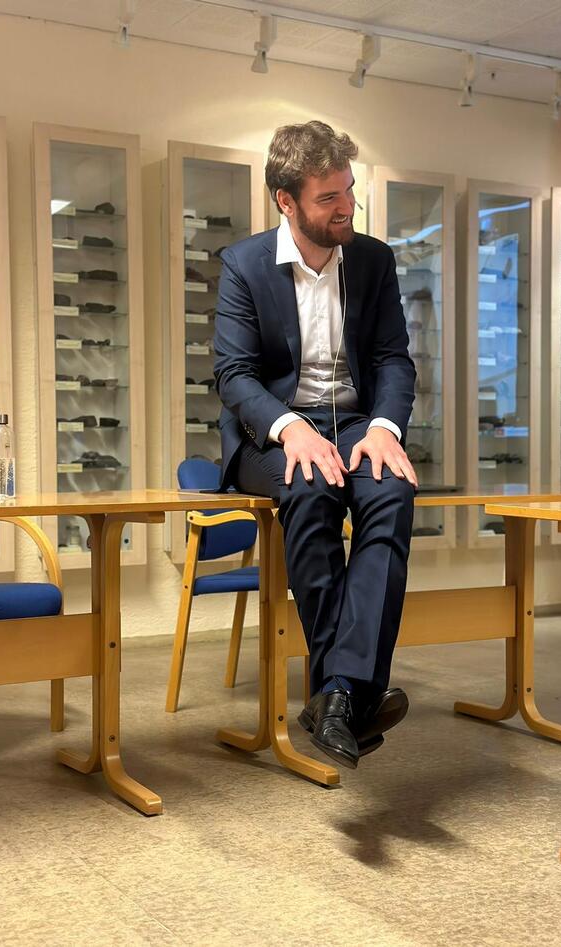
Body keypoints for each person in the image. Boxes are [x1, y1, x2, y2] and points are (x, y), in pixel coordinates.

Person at [214, 121, 417, 769]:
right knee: (310, 484)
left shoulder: (374, 260)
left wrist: (384, 428)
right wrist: (290, 427)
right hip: (274, 430)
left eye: (349, 191)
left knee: (392, 490)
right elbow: (234, 375)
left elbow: (392, 358)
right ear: (286, 201)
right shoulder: (244, 265)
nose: (346, 207)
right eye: (328, 197)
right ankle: (352, 690)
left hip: (357, 424)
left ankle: (336, 691)